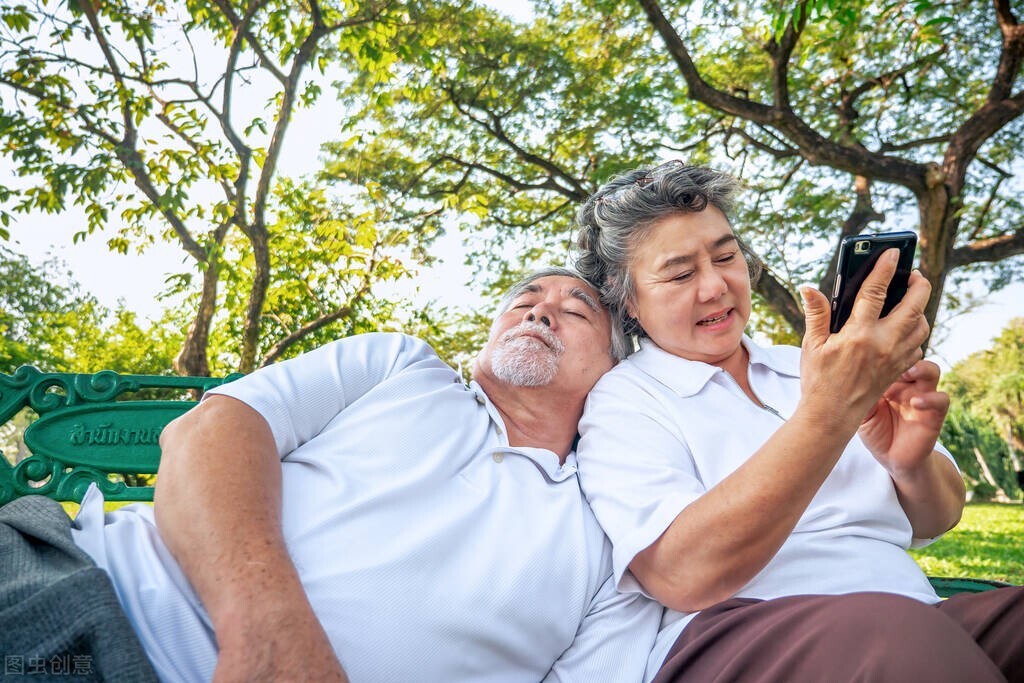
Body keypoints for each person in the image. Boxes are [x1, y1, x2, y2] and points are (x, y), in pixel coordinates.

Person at [64, 267, 660, 682]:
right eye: (524, 299)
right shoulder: (400, 367)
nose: (540, 309)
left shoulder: (615, 536)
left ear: (615, 371)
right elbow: (206, 433)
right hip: (98, 603)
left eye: (575, 310)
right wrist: (270, 634)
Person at [573, 161, 1024, 683]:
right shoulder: (624, 399)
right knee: (895, 635)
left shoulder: (807, 362)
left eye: (726, 256)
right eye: (680, 274)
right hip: (738, 633)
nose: (716, 286)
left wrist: (909, 463)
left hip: (916, 612)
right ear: (626, 297)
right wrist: (829, 412)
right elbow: (681, 574)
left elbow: (938, 517)